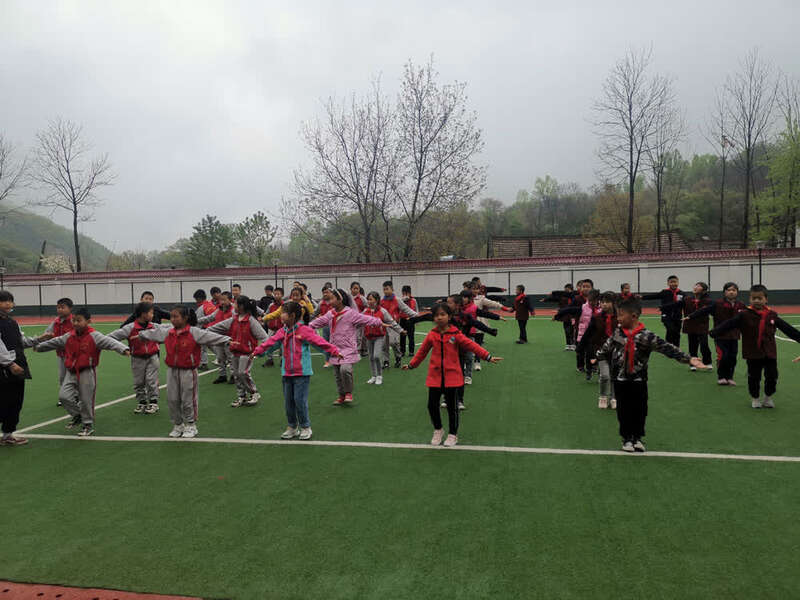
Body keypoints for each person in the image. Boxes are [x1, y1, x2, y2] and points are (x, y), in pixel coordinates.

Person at [597, 297, 702, 453]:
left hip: (639, 380)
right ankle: (627, 438)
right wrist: (598, 357)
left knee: (640, 409)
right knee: (623, 410)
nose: (618, 319)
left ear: (634, 316)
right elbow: (606, 348)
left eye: (621, 315)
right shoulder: (617, 334)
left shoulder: (646, 336)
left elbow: (666, 347)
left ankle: (637, 438)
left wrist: (688, 359)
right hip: (620, 379)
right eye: (617, 315)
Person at [403, 302, 502, 448]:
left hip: (452, 377)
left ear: (449, 317)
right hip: (435, 377)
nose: (439, 318)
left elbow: (472, 345)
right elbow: (422, 352)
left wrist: (487, 356)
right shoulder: (432, 335)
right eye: (436, 315)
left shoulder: (456, 334)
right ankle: (438, 430)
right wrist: (412, 365)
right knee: (432, 406)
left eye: (442, 315)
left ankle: (452, 434)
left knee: (452, 407)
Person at [252, 301, 342, 441]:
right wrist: (258, 352)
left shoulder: (304, 330)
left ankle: (305, 427)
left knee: (299, 400)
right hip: (286, 373)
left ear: (292, 315)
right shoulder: (282, 331)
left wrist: (334, 351)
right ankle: (292, 427)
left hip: (302, 374)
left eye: (284, 313)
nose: (281, 315)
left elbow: (319, 342)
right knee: (288, 402)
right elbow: (271, 343)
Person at [34, 307, 131, 437]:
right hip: (71, 371)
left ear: (88, 321)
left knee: (86, 399)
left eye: (79, 320)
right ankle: (77, 415)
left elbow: (109, 342)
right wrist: (39, 347)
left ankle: (87, 424)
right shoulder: (69, 336)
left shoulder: (94, 336)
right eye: (74, 320)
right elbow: (55, 342)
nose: (75, 323)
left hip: (87, 372)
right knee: (64, 396)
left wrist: (123, 349)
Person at [137, 305, 231, 438]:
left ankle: (191, 425)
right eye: (171, 317)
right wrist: (142, 335)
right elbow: (154, 333)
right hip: (172, 370)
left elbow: (210, 336)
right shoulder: (169, 332)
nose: (173, 319)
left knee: (188, 399)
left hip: (188, 371)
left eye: (176, 317)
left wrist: (227, 340)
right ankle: (178, 424)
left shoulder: (194, 332)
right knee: (172, 399)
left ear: (185, 318)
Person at [710, 284, 800, 408]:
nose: (757, 300)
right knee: (754, 377)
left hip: (769, 352)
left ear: (766, 299)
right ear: (750, 299)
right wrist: (714, 332)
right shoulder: (744, 314)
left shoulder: (772, 315)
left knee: (772, 376)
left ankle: (768, 397)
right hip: (752, 352)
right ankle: (755, 398)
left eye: (760, 298)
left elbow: (788, 329)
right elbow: (729, 324)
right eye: (754, 298)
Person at [309, 288, 388, 404]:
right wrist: (307, 327)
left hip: (348, 348)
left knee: (345, 369)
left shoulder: (350, 313)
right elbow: (320, 321)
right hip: (335, 348)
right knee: (337, 374)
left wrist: (379, 322)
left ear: (340, 300)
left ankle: (348, 392)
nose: (330, 301)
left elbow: (365, 319)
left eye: (332, 298)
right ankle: (341, 395)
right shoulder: (331, 314)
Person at [206, 296, 268, 407]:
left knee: (243, 373)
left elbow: (264, 337)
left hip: (247, 353)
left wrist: (260, 350)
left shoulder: (251, 321)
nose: (233, 305)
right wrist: (203, 332)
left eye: (235, 304)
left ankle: (254, 393)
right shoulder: (233, 319)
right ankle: (241, 396)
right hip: (235, 352)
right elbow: (218, 327)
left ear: (241, 306)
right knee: (236, 375)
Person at [684, 282, 746, 385]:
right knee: (723, 356)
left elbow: (747, 318)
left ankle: (730, 377)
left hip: (734, 335)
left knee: (732, 357)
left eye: (734, 290)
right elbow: (704, 310)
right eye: (729, 290)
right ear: (724, 292)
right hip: (720, 335)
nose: (731, 292)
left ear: (737, 292)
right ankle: (721, 377)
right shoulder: (718, 304)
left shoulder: (741, 305)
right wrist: (690, 316)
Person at [107, 302, 163, 414]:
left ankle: (153, 402)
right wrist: (122, 348)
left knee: (151, 380)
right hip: (137, 359)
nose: (153, 315)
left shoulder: (154, 326)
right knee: (138, 382)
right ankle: (142, 402)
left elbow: (168, 330)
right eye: (151, 313)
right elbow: (110, 337)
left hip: (153, 357)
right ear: (143, 314)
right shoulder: (129, 328)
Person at [0, 290, 32, 446]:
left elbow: (22, 341)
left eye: (10, 300)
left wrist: (39, 339)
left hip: (18, 366)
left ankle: (7, 434)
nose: (8, 303)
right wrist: (10, 364)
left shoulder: (13, 322)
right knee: (4, 400)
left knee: (16, 401)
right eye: (3, 300)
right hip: (5, 368)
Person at [361, 292, 404, 385]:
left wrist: (400, 330)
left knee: (376, 356)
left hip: (379, 337)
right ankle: (373, 376)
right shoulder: (365, 311)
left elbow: (391, 321)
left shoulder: (382, 311)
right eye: (368, 299)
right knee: (371, 357)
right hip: (368, 337)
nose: (369, 301)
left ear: (376, 300)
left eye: (371, 299)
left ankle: (379, 376)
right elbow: (359, 320)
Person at [586, 292, 618, 409]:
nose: (604, 304)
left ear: (613, 303)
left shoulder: (621, 317)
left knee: (615, 376)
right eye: (602, 302)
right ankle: (603, 397)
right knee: (604, 376)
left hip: (617, 351)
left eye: (607, 302)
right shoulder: (597, 318)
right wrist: (582, 347)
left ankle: (614, 398)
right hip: (601, 351)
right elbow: (589, 334)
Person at [197, 291, 234, 383]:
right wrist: (196, 320)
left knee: (231, 358)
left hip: (230, 338)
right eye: (221, 300)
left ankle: (233, 376)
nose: (222, 302)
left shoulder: (233, 311)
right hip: (218, 337)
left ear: (230, 300)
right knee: (220, 357)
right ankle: (222, 375)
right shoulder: (219, 310)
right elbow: (209, 318)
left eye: (224, 300)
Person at [640, 275, 686, 348]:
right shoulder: (665, 292)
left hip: (677, 316)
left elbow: (683, 304)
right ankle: (668, 347)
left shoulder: (682, 293)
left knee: (677, 332)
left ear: (678, 282)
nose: (673, 284)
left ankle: (676, 348)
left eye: (675, 282)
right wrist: (642, 297)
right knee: (670, 329)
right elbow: (655, 296)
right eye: (671, 282)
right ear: (668, 283)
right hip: (666, 315)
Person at [380, 280, 418, 369]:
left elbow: (406, 309)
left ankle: (398, 357)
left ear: (392, 289)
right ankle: (386, 361)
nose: (385, 291)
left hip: (394, 325)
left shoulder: (397, 300)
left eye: (387, 289)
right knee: (384, 344)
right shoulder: (381, 301)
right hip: (384, 325)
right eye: (384, 289)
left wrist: (417, 316)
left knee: (394, 342)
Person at [44, 297, 75, 394]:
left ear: (70, 308)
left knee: (73, 376)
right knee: (62, 376)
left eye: (63, 307)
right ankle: (64, 396)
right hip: (60, 354)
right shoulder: (56, 321)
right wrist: (45, 338)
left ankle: (75, 395)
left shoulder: (74, 321)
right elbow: (47, 333)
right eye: (58, 307)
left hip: (73, 355)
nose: (60, 309)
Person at [681, 282, 714, 372]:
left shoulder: (708, 301)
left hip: (702, 325)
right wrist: (664, 308)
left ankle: (708, 362)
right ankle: (693, 363)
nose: (695, 287)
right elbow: (677, 305)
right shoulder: (687, 299)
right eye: (695, 285)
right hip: (691, 325)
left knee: (704, 344)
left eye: (699, 286)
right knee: (692, 345)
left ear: (704, 290)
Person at [541, 284, 576, 350]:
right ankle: (568, 344)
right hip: (565, 316)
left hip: (573, 316)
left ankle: (573, 344)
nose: (565, 290)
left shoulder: (574, 296)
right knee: (566, 330)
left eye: (566, 289)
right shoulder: (562, 296)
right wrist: (545, 299)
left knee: (572, 331)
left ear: (569, 289)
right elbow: (554, 299)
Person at [193, 289, 217, 371]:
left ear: (199, 298)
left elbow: (198, 321)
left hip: (205, 329)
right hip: (215, 328)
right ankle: (224, 357)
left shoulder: (201, 308)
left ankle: (204, 364)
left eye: (196, 299)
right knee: (212, 346)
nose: (196, 301)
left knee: (202, 347)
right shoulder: (211, 305)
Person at [261, 287, 284, 367]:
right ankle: (270, 359)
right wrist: (264, 321)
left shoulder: (285, 305)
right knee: (269, 343)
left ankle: (282, 360)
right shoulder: (271, 305)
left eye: (278, 294)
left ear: (282, 295)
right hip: (271, 328)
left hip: (281, 328)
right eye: (275, 294)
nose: (276, 295)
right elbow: (267, 314)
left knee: (282, 345)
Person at [399, 285, 418, 359]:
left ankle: (411, 351)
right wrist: (402, 300)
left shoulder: (414, 300)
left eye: (407, 293)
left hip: (411, 320)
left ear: (410, 293)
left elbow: (416, 309)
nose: (405, 295)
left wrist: (417, 319)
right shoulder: (400, 300)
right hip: (402, 320)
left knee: (411, 336)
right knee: (402, 336)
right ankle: (402, 351)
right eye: (404, 293)